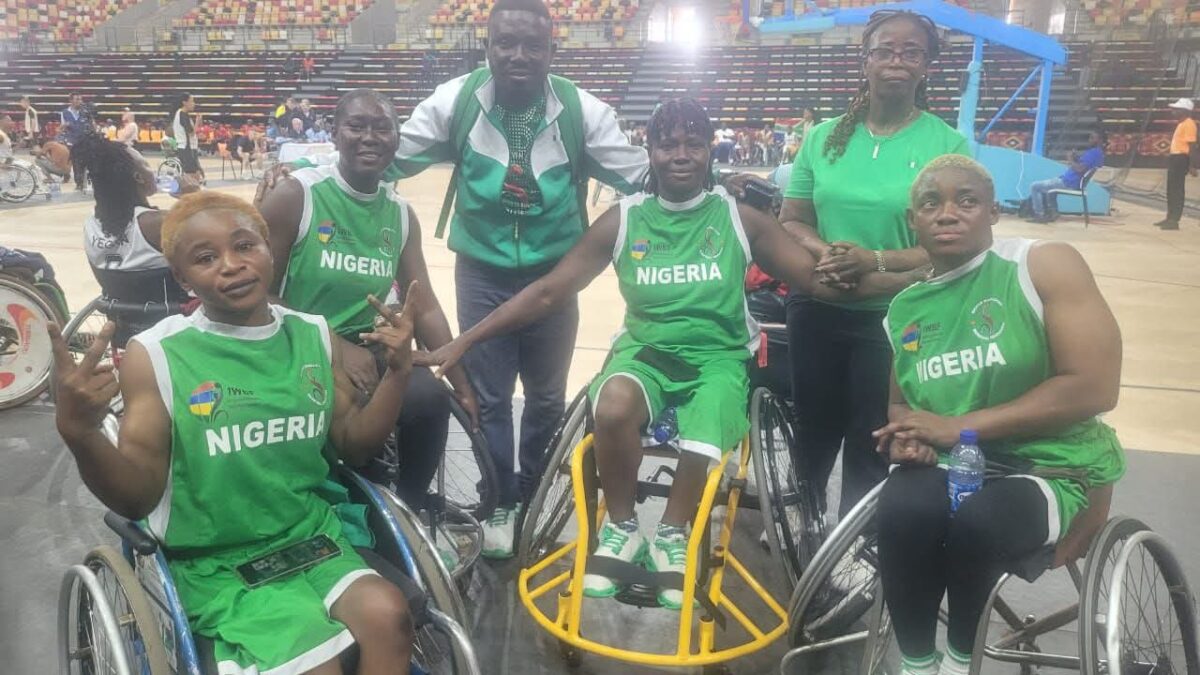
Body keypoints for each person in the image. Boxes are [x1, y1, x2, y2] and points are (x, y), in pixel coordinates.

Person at [422, 98, 922, 607]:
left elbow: (819, 284)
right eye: (667, 144)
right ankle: (621, 528)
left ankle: (673, 533)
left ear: (710, 151)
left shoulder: (740, 219)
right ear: (650, 151)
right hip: (647, 352)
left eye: (693, 143)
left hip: (718, 357)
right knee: (612, 403)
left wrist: (913, 275)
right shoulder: (623, 220)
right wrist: (466, 339)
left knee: (707, 425)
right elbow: (550, 291)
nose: (680, 154)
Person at [259, 0, 650, 560]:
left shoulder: (580, 109)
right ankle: (500, 505)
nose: (518, 55)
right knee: (490, 396)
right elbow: (381, 152)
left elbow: (639, 171)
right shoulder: (457, 100)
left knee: (544, 397)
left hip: (552, 273)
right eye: (505, 43)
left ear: (550, 51)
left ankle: (533, 493)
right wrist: (303, 167)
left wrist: (714, 183)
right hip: (483, 270)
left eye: (531, 45)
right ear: (487, 45)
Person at [51, 191, 418, 674]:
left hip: (308, 536)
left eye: (245, 246)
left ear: (269, 250)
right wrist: (81, 433)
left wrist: (397, 374)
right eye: (205, 258)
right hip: (215, 559)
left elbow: (355, 444)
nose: (231, 265)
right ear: (181, 276)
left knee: (390, 615)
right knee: (317, 665)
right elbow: (138, 498)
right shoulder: (157, 354)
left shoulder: (311, 332)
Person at [873, 155, 1125, 675]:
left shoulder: (1043, 264)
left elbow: (1095, 387)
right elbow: (901, 404)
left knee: (979, 523)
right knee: (900, 511)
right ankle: (918, 665)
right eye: (930, 203)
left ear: (992, 211)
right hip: (952, 461)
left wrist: (960, 426)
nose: (947, 213)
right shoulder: (905, 309)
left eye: (965, 200)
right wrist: (910, 437)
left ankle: (960, 662)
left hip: (1052, 465)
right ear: (912, 221)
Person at [779, 9, 970, 516]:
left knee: (874, 430)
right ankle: (805, 516)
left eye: (911, 52)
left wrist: (875, 263)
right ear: (864, 60)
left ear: (926, 66)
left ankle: (853, 543)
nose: (896, 61)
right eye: (884, 50)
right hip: (819, 301)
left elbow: (948, 243)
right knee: (812, 421)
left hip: (897, 315)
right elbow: (792, 219)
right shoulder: (823, 138)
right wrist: (831, 254)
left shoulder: (945, 146)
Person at [257, 89, 478, 510]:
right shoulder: (296, 196)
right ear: (335, 134)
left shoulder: (398, 213)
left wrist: (459, 379)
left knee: (429, 397)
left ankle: (409, 512)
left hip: (371, 347)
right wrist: (333, 345)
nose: (369, 137)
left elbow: (424, 303)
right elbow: (258, 295)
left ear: (397, 139)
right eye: (356, 126)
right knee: (349, 416)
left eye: (382, 127)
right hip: (297, 345)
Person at [74, 134, 195, 329]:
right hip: (172, 324)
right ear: (138, 177)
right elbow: (214, 245)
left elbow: (105, 281)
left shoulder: (90, 225)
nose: (152, 171)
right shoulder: (158, 223)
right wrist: (193, 198)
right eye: (146, 165)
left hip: (122, 325)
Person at [1025, 129, 1105, 224]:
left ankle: (1040, 215)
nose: (1089, 140)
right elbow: (1084, 166)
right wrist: (1076, 158)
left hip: (1069, 182)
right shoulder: (1097, 153)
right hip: (1068, 180)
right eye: (1090, 137)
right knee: (1047, 187)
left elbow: (1080, 169)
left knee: (1035, 186)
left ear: (1100, 140)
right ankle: (1052, 212)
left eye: (1092, 138)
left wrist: (1070, 159)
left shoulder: (1094, 153)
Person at [1158, 97, 1197, 231]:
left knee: (1177, 189)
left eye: (1177, 109)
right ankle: (1170, 217)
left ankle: (1174, 220)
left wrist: (1192, 165)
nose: (1173, 111)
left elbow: (1192, 146)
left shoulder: (1189, 124)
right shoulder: (1182, 123)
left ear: (1184, 111)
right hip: (1175, 157)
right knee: (1171, 188)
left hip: (1181, 158)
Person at [170, 92, 205, 185]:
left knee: (197, 173)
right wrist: (197, 122)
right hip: (186, 148)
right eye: (192, 101)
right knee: (192, 175)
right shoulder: (182, 114)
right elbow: (191, 132)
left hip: (187, 147)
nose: (194, 104)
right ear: (185, 102)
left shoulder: (181, 114)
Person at [60, 92, 91, 191]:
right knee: (76, 164)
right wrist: (64, 127)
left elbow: (91, 125)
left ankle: (89, 182)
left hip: (85, 141)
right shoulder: (65, 112)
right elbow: (62, 128)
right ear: (71, 101)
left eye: (80, 99)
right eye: (77, 99)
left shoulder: (85, 112)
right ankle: (79, 183)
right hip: (73, 142)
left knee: (88, 163)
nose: (79, 102)